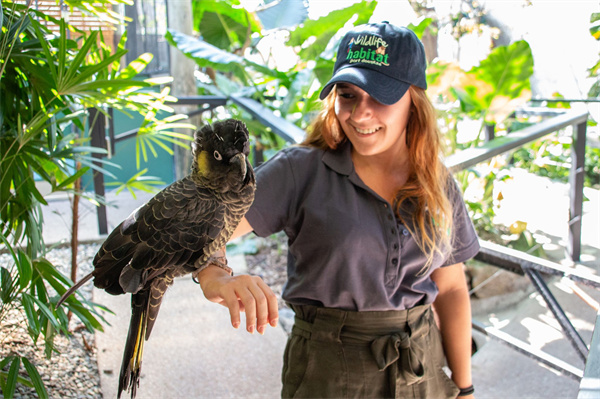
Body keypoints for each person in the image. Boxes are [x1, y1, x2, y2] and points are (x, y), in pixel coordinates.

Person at [195, 21, 479, 399]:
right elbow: (202, 228)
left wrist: (465, 389)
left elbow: (452, 289)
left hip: (422, 369)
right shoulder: (300, 171)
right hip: (329, 372)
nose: (360, 115)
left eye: (380, 96)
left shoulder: (437, 183)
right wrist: (214, 275)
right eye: (347, 95)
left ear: (414, 99)